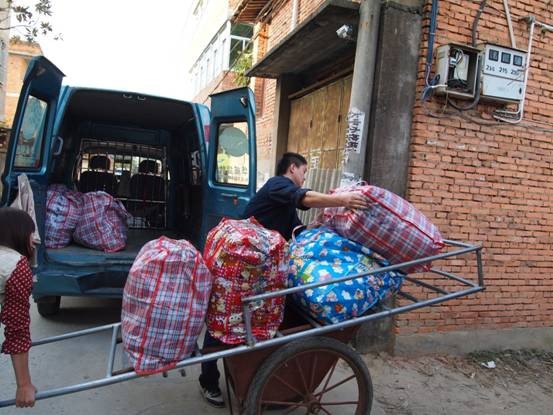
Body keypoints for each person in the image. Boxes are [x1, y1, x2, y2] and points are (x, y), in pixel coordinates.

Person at [199, 152, 370, 407]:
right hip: (239, 263)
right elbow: (303, 197)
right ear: (292, 168)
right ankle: (208, 380)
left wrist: (320, 225)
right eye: (304, 171)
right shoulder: (277, 185)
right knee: (223, 318)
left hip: (257, 268)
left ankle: (254, 370)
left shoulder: (284, 202)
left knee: (244, 317)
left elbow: (297, 231)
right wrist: (343, 199)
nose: (304, 177)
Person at [0, 207, 37, 408]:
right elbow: (17, 327)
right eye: (31, 234)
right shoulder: (16, 265)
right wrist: (24, 384)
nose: (34, 241)